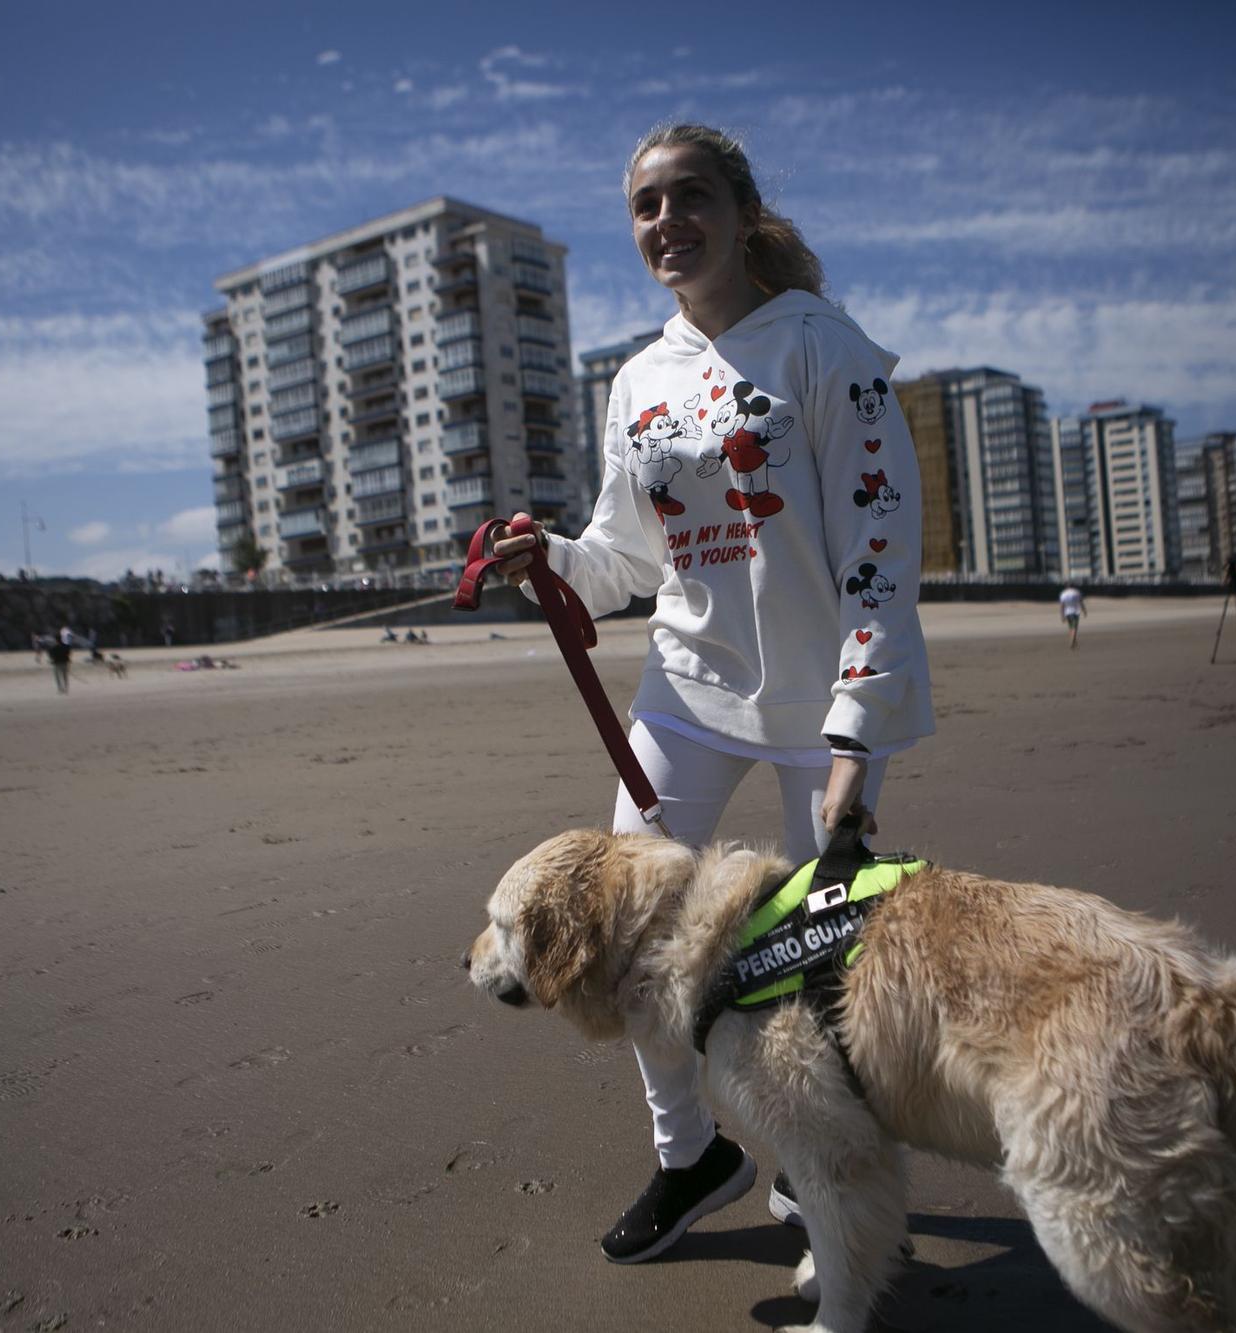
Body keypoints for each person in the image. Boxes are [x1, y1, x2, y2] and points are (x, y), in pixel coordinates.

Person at [490, 122, 933, 1265]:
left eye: (689, 198)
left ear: (740, 211)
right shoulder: (638, 381)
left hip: (818, 712)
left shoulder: (823, 351)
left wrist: (855, 737)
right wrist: (548, 555)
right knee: (624, 932)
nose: (665, 223)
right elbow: (626, 558)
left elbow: (881, 549)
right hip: (683, 694)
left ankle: (818, 1161)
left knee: (829, 963)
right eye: (644, 206)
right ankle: (689, 1151)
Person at [1058, 585, 1085, 649]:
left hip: (1067, 613)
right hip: (1075, 612)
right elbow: (1081, 602)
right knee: (1074, 628)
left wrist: (1062, 616)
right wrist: (1084, 610)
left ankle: (1074, 641)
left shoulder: (1063, 594)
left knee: (1071, 627)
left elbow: (1062, 606)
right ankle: (1072, 642)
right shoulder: (1077, 592)